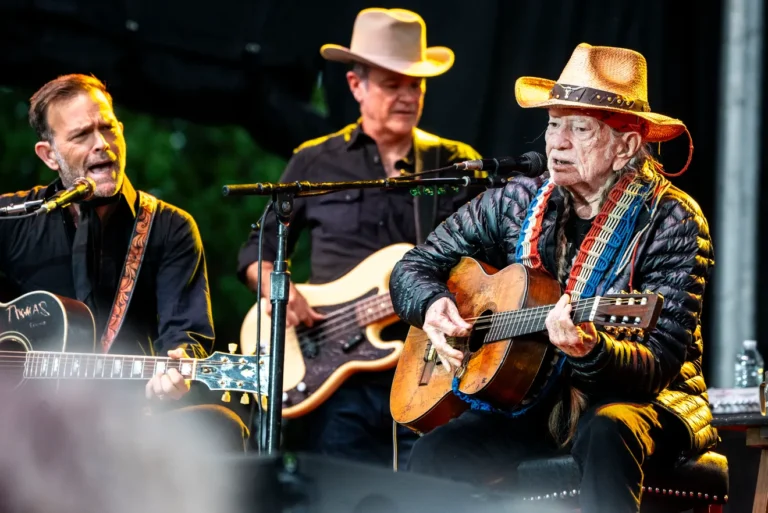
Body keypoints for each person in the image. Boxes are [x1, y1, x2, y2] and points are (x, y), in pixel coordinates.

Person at [388, 43, 717, 513]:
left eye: (579, 128)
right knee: (436, 454)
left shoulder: (674, 220)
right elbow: (413, 267)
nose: (557, 142)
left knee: (608, 429)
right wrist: (432, 306)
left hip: (647, 401)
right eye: (553, 123)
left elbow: (657, 363)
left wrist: (590, 350)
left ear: (626, 145)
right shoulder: (515, 200)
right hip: (533, 399)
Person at [237, 8, 483, 468]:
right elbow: (257, 252)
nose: (407, 96)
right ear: (356, 85)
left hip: (429, 371)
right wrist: (278, 287)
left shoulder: (454, 164)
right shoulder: (315, 162)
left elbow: (486, 260)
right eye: (392, 85)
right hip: (332, 376)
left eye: (416, 85)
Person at [0, 73, 247, 451]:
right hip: (23, 435)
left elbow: (184, 338)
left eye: (108, 128)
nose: (102, 144)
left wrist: (176, 373)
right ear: (49, 155)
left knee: (220, 427)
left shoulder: (169, 228)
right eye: (82, 135)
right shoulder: (13, 219)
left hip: (126, 426)